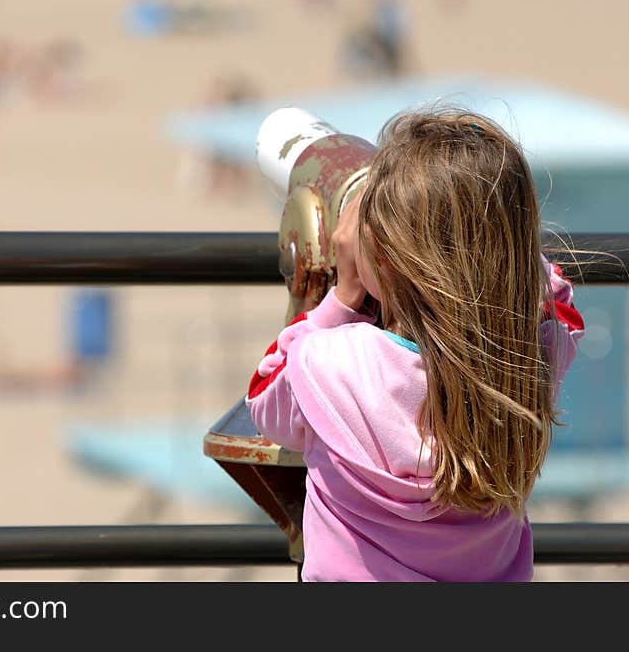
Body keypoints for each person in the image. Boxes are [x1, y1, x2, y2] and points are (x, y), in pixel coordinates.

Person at [245, 109, 586, 582]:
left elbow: (266, 396)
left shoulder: (332, 362)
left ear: (377, 257)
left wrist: (340, 298)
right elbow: (558, 297)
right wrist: (492, 248)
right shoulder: (529, 359)